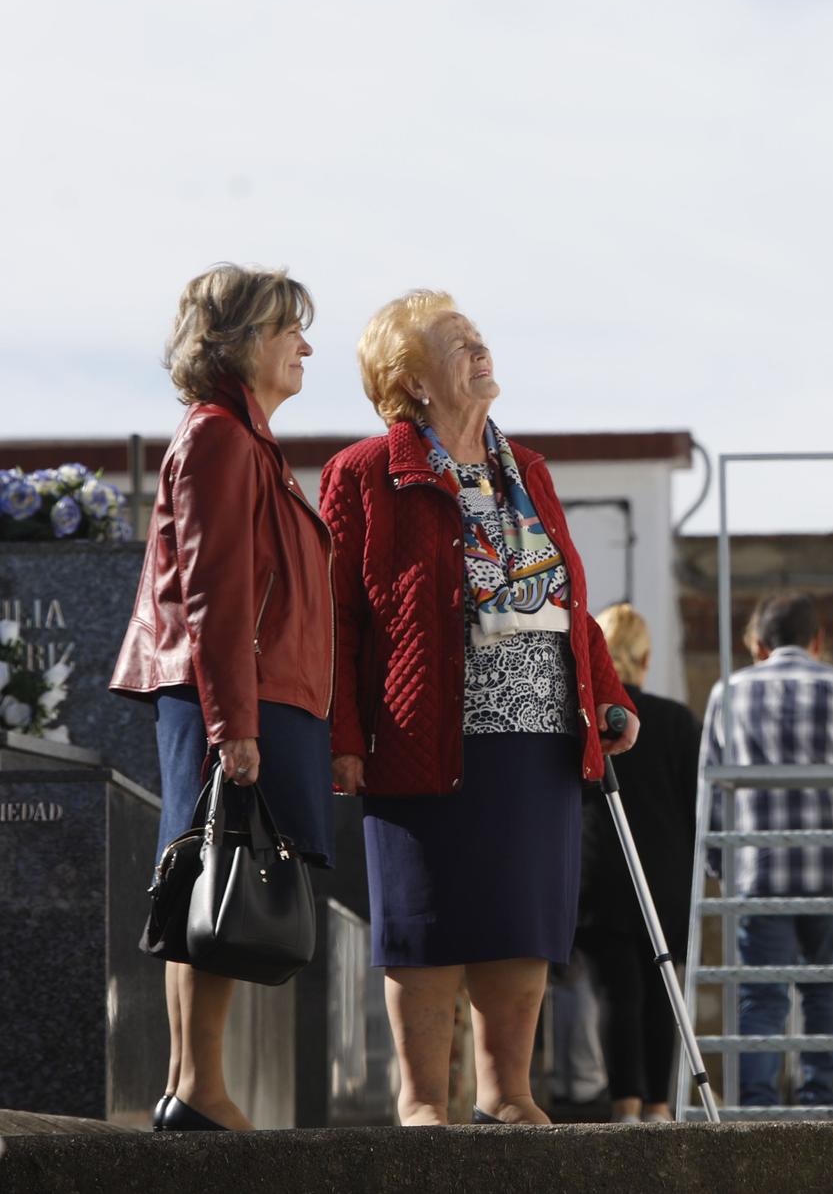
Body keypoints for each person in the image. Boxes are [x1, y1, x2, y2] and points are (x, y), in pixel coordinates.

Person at [319, 289, 639, 1126]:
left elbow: (567, 595)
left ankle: (509, 1094)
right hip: (426, 731)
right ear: (412, 379)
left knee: (521, 916)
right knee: (424, 917)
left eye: (479, 336)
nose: (479, 349)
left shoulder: (526, 469)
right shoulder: (363, 474)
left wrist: (607, 693)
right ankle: (424, 1099)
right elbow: (338, 617)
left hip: (538, 735)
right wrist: (343, 735)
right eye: (456, 342)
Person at [111, 264, 335, 1133]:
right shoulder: (217, 436)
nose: (305, 345)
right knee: (214, 871)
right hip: (233, 694)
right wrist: (233, 724)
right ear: (243, 341)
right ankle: (199, 1085)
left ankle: (192, 1082)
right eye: (290, 330)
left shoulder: (245, 441)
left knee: (218, 877)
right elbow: (214, 592)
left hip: (253, 694)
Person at [702, 592, 833, 1109]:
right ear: (817, 640)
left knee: (761, 996)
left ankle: (756, 1111)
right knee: (825, 989)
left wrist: (724, 868)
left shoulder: (730, 691)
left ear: (760, 644)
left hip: (759, 869)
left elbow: (711, 794)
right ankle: (819, 1105)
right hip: (831, 868)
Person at [576, 603, 701, 1122]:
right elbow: (699, 806)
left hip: (600, 872)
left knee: (615, 994)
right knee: (662, 991)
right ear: (646, 657)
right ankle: (659, 1107)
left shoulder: (585, 721)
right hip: (665, 877)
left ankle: (624, 1105)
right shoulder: (674, 720)